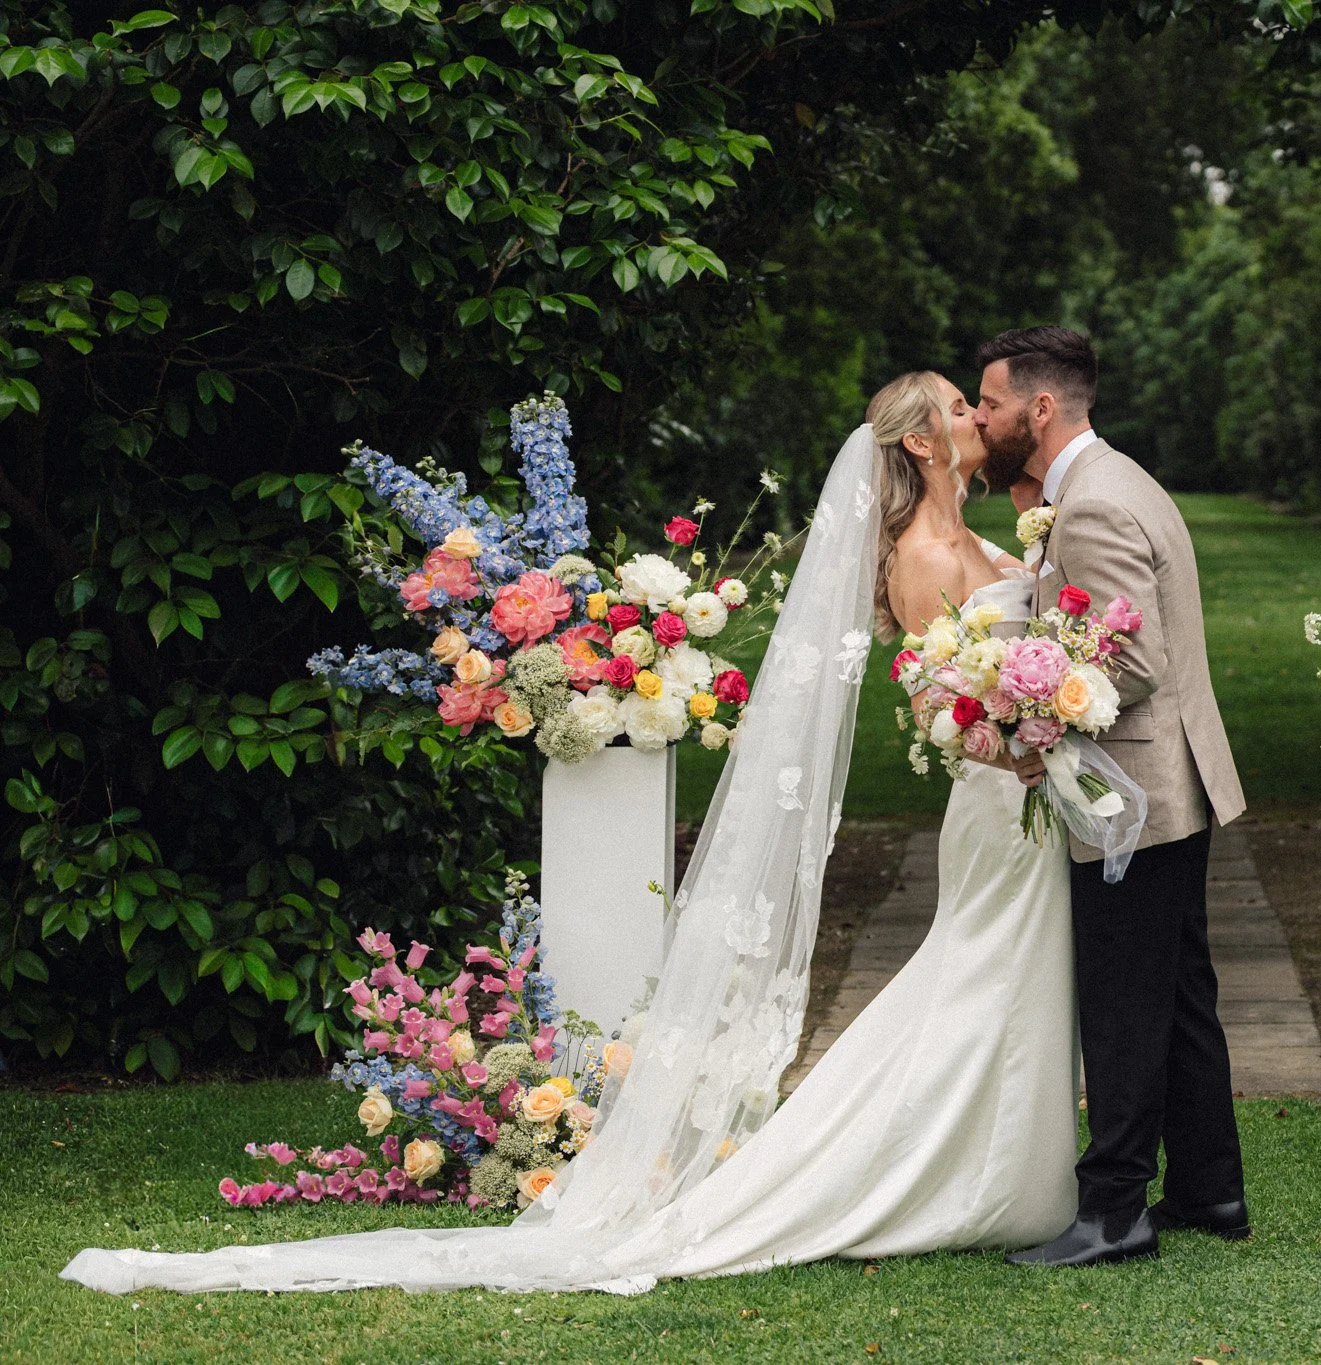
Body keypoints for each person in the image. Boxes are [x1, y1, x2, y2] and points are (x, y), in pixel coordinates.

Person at [61, 371, 1087, 1295]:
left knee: (1002, 977)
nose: (975, 418)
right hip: (999, 799)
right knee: (971, 974)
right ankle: (923, 1171)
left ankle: (996, 1168)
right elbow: (934, 704)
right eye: (959, 406)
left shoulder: (987, 536)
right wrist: (1018, 737)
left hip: (1027, 800)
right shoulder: (918, 555)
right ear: (918, 441)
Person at [974, 326, 1250, 1268]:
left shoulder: (1089, 506)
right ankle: (1211, 1188)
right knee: (1176, 990)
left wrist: (1025, 708)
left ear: (1039, 409)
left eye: (991, 403)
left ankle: (1116, 1211)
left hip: (1131, 792)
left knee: (1125, 1000)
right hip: (1171, 782)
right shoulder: (1111, 481)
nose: (980, 418)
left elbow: (1128, 661)